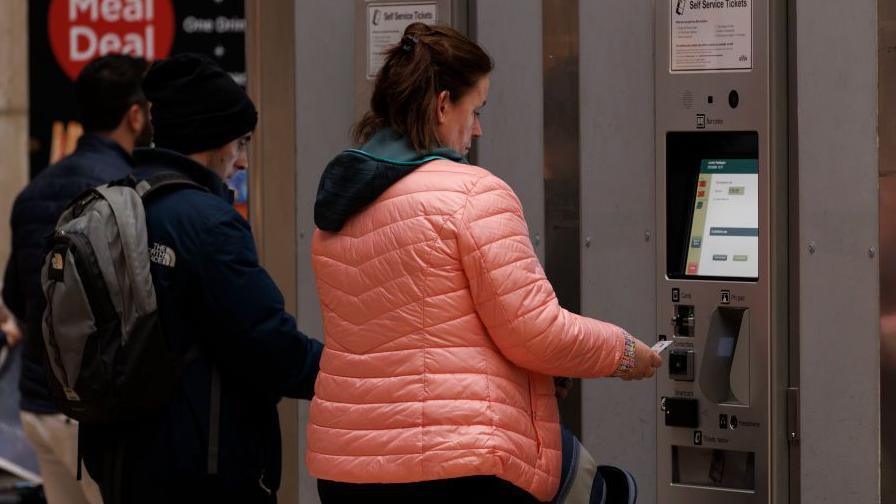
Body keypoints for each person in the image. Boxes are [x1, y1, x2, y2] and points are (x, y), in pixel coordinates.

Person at [307, 23, 661, 503]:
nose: (478, 128)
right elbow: (535, 332)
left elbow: (419, 337)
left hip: (347, 470)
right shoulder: (473, 194)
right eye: (475, 110)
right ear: (441, 105)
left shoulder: (338, 211)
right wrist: (624, 353)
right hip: (454, 467)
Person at [78, 53, 323, 504]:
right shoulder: (207, 222)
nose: (243, 161)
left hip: (127, 461)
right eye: (241, 143)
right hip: (201, 468)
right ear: (212, 140)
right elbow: (267, 342)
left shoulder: (123, 203)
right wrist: (348, 373)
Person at [2, 54, 152, 504]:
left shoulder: (34, 190)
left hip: (38, 403)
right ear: (135, 114)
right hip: (94, 410)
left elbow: (15, 292)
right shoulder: (127, 191)